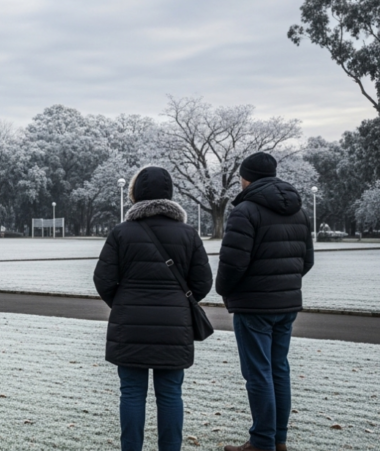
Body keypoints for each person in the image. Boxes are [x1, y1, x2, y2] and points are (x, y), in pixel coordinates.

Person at [94, 166, 213, 451]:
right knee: (171, 394)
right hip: (175, 323)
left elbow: (103, 279)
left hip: (130, 322)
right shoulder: (188, 234)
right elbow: (203, 282)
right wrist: (177, 301)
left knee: (132, 394)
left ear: (136, 194)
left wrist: (123, 303)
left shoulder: (121, 233)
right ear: (169, 195)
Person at [217, 153, 314, 451]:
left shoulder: (246, 210)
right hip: (286, 304)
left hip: (253, 305)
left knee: (258, 372)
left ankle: (261, 442)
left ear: (246, 177)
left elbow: (233, 264)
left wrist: (224, 290)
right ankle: (278, 439)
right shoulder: (298, 210)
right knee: (278, 370)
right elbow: (306, 260)